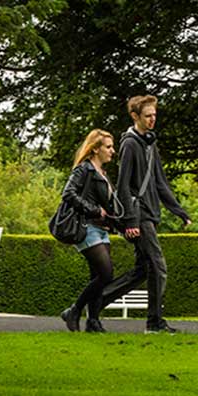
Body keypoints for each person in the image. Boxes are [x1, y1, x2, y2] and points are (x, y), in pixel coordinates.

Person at [100, 95, 190, 334]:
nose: (152, 120)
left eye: (154, 115)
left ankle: (91, 303)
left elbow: (160, 182)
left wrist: (179, 211)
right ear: (135, 117)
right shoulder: (130, 144)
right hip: (140, 216)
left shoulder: (150, 144)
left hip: (150, 213)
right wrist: (130, 221)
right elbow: (123, 184)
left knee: (143, 270)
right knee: (159, 266)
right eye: (147, 116)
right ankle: (155, 323)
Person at [59, 129, 120, 333]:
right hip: (87, 227)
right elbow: (68, 193)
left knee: (98, 276)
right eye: (108, 147)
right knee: (106, 274)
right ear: (95, 149)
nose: (113, 151)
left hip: (102, 230)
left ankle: (93, 322)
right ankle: (74, 311)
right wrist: (94, 210)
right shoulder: (84, 169)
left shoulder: (103, 173)